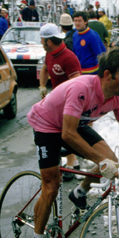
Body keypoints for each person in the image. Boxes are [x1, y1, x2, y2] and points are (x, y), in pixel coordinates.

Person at [26, 47, 119, 238]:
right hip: (48, 124)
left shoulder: (118, 97)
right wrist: (100, 160)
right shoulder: (82, 89)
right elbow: (67, 134)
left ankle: (79, 192)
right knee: (51, 184)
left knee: (110, 160)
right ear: (108, 75)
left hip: (75, 123)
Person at [38, 23, 83, 181]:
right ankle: (74, 162)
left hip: (69, 101)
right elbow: (44, 69)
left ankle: (71, 165)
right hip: (58, 100)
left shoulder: (68, 57)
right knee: (60, 131)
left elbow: (77, 84)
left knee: (67, 132)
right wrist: (42, 86)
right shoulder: (49, 54)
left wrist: (68, 104)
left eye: (42, 40)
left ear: (48, 41)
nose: (41, 43)